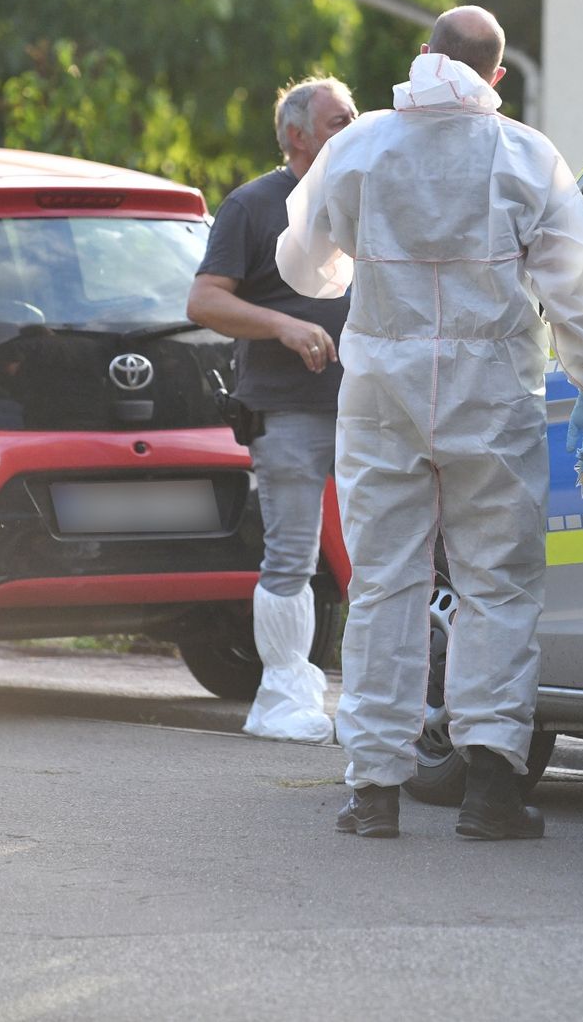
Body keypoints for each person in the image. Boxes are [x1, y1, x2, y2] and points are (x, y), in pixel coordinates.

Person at [277, 6, 583, 840]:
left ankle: (373, 792)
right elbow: (578, 283)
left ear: (420, 56)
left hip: (382, 393)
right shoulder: (524, 155)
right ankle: (491, 787)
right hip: (492, 390)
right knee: (497, 585)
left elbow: (304, 266)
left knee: (384, 583)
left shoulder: (356, 148)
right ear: (496, 78)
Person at [186, 76, 358, 743]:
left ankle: (374, 701)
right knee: (292, 555)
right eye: (339, 121)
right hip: (289, 413)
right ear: (296, 136)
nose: (354, 129)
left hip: (368, 409)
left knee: (384, 557)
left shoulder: (364, 204)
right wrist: (283, 327)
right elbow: (203, 302)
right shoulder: (253, 206)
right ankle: (281, 701)